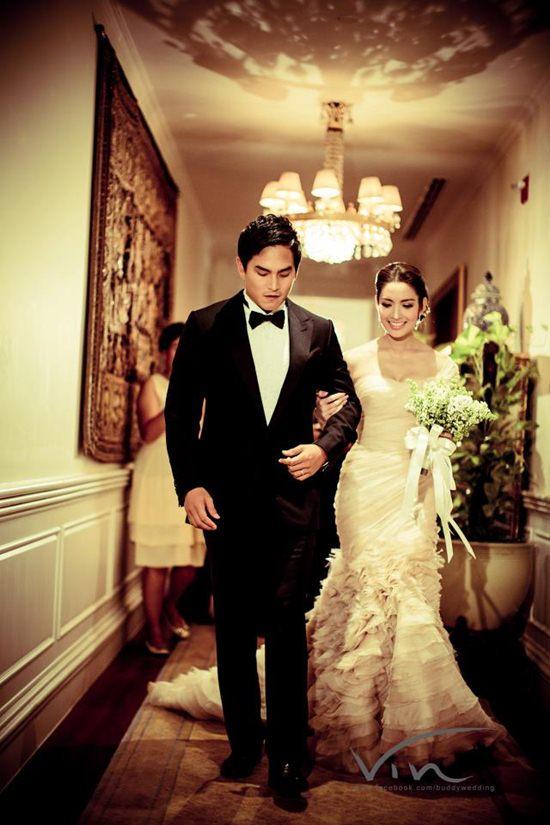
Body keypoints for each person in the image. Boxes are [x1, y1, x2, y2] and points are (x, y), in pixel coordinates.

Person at [150, 261, 511, 778]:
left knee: (408, 594)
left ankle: (406, 716)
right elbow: (331, 412)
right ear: (376, 304)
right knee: (355, 589)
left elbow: (449, 426)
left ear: (423, 308)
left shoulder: (443, 366)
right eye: (386, 303)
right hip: (364, 488)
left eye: (406, 304)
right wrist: (319, 424)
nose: (395, 313)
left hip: (415, 490)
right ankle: (310, 724)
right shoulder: (354, 357)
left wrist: (439, 443)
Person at [163, 214, 361, 799]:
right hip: (224, 502)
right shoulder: (205, 325)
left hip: (295, 503)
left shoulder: (319, 330)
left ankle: (289, 760)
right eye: (262, 272)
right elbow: (180, 415)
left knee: (286, 625)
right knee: (232, 627)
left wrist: (323, 449)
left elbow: (348, 405)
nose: (274, 284)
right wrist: (189, 486)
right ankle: (245, 744)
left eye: (285, 272)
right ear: (240, 266)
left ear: (296, 270)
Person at [128, 323, 207, 656]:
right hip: (156, 481)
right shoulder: (154, 385)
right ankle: (154, 629)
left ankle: (171, 607)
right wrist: (178, 399)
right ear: (165, 352)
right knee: (157, 561)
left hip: (190, 482)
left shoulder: (203, 388)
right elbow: (148, 433)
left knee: (189, 563)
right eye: (177, 346)